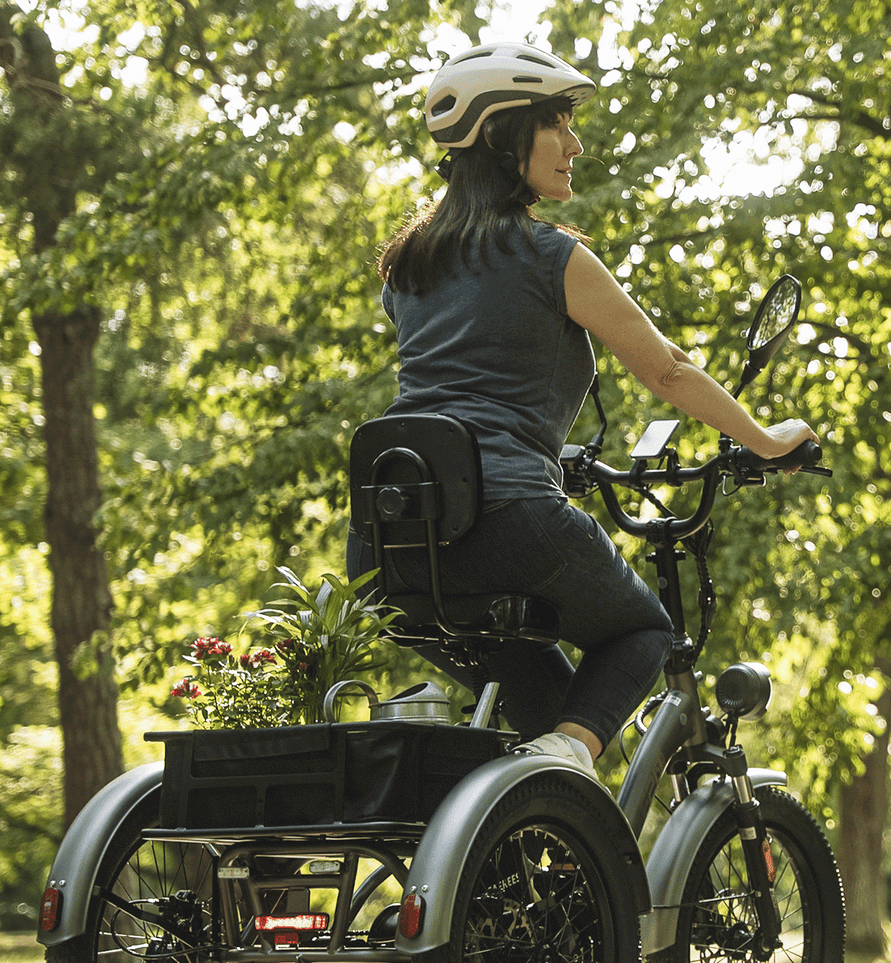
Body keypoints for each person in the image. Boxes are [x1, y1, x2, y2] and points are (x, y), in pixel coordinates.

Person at [347, 42, 816, 775]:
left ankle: (538, 843)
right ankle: (563, 768)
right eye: (557, 124)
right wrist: (763, 439)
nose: (575, 143)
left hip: (389, 545)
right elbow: (666, 370)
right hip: (508, 522)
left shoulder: (408, 265)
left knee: (554, 713)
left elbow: (465, 379)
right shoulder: (550, 255)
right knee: (643, 634)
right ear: (505, 140)